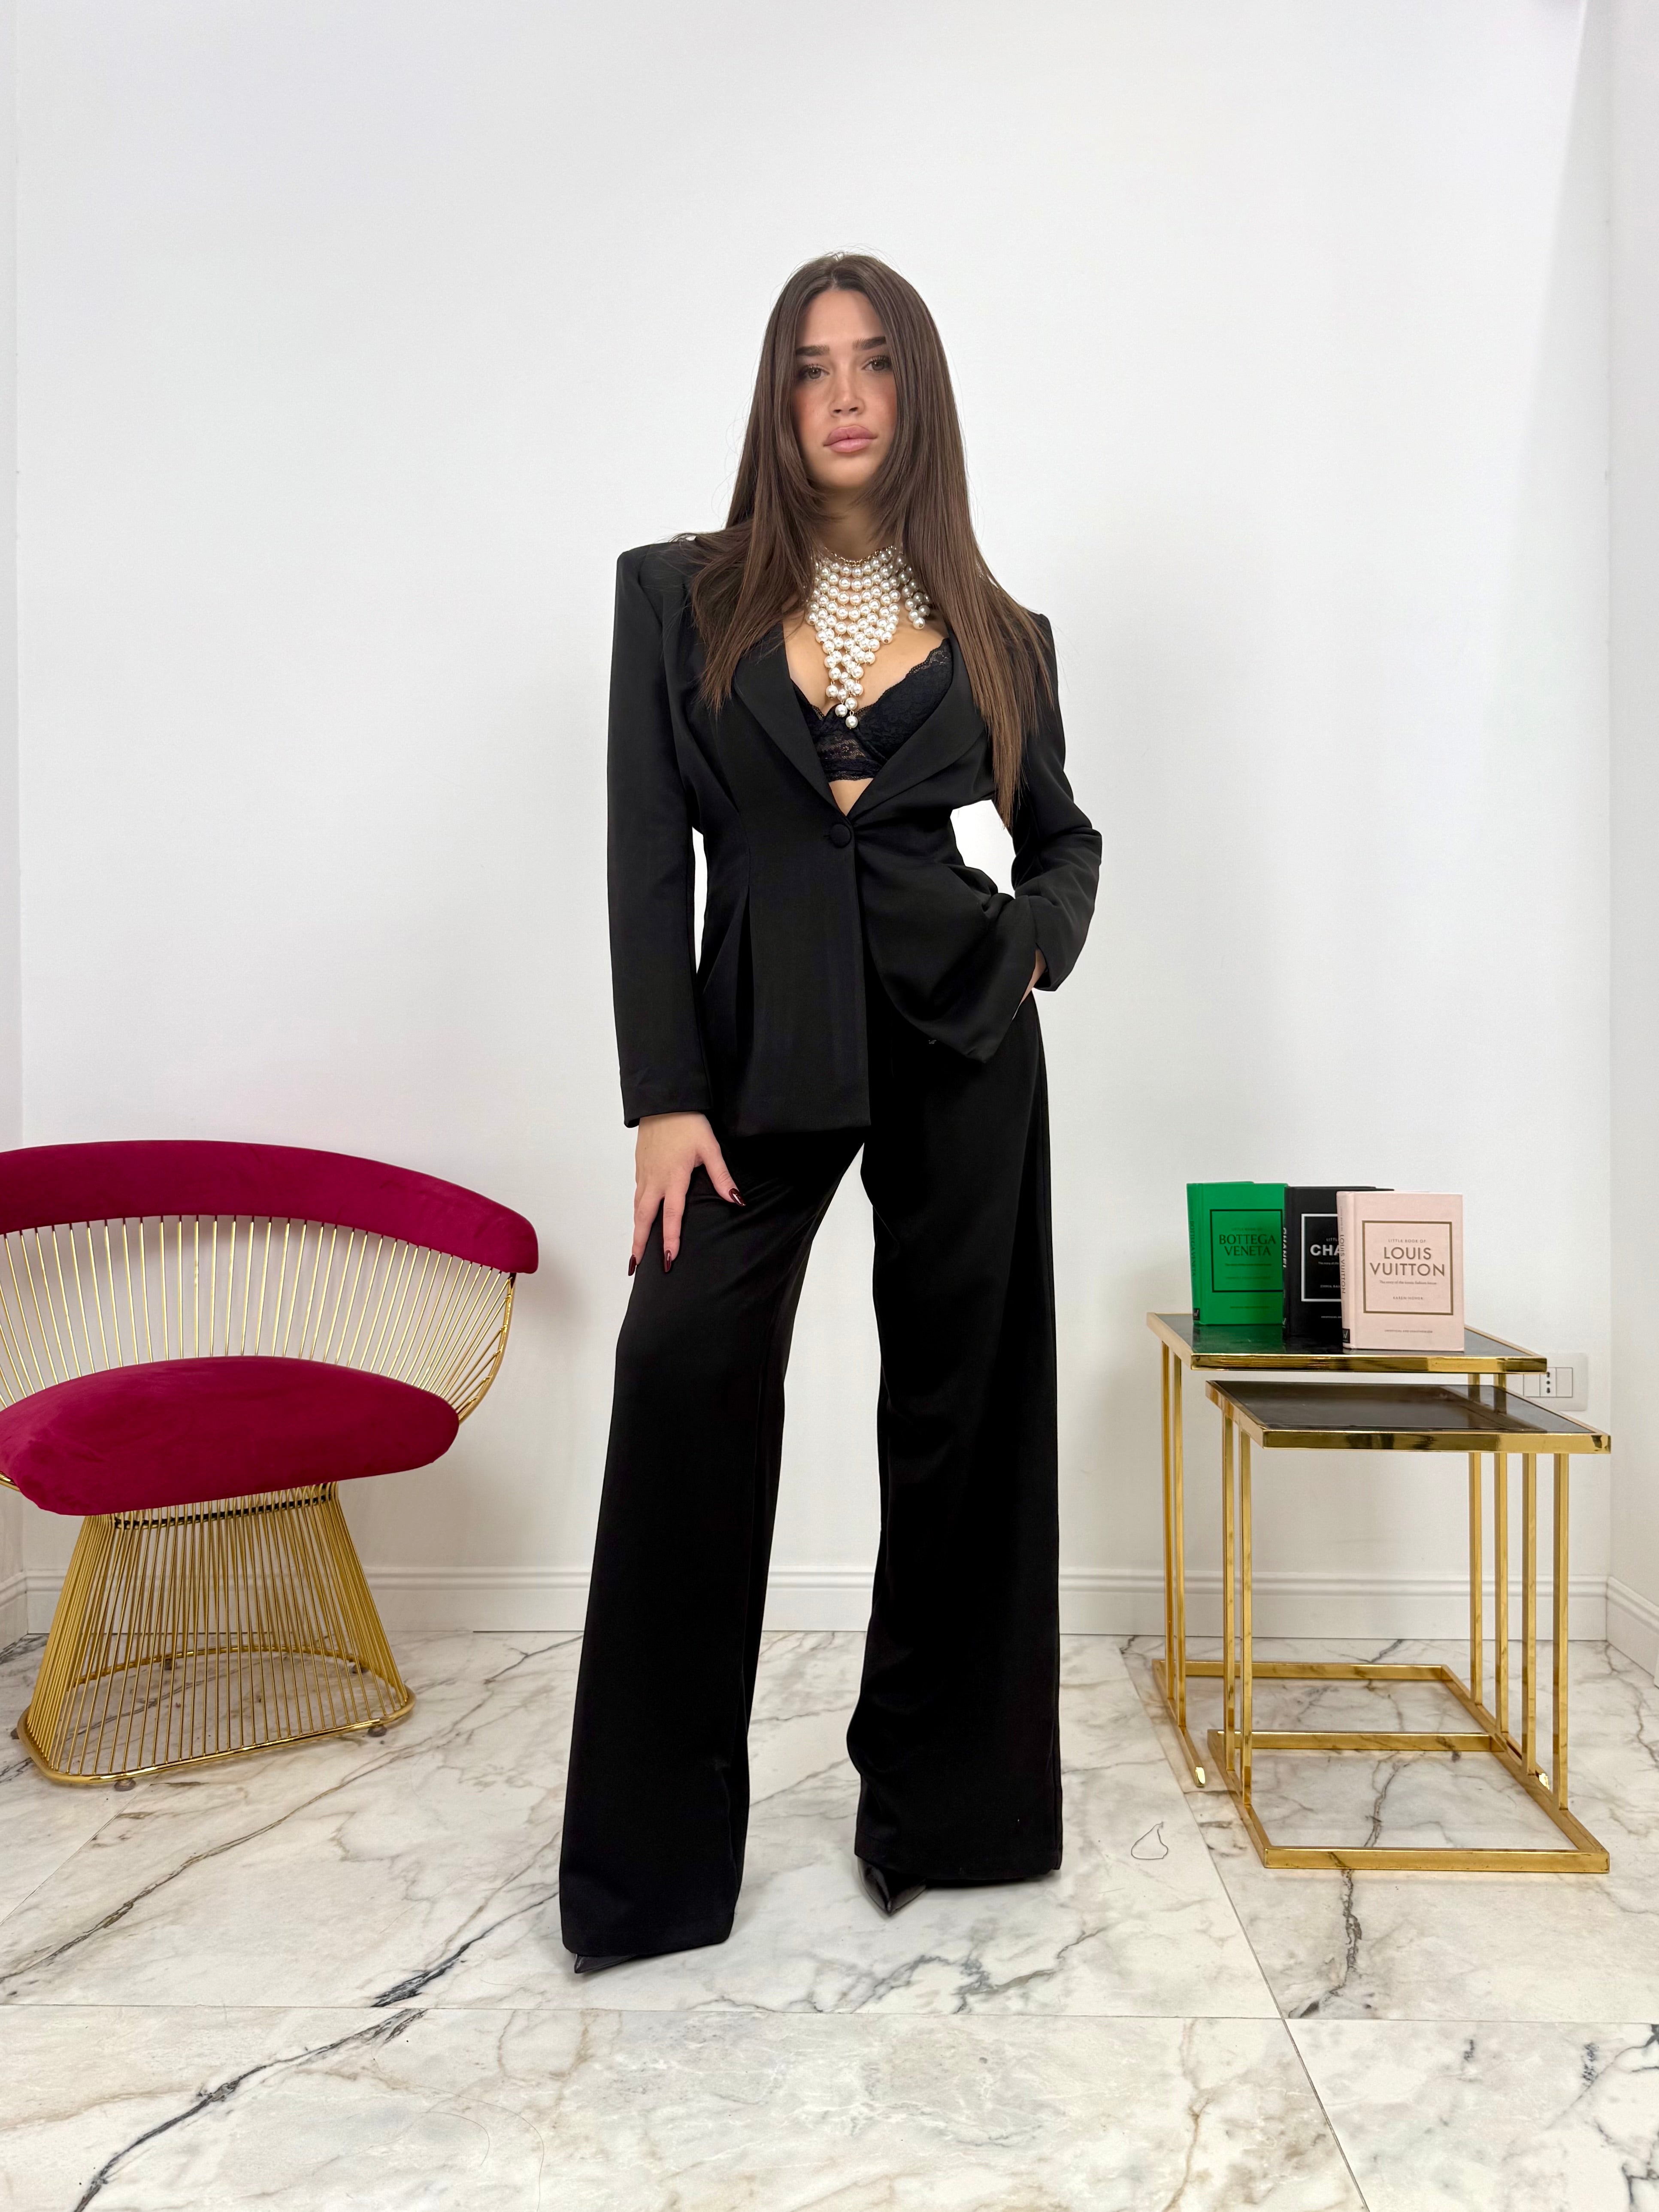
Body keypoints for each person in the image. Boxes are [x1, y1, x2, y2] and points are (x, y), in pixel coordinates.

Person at [559, 251, 1101, 1971]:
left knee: (962, 1412)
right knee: (682, 1372)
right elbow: (647, 858)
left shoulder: (1003, 633)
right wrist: (663, 1097)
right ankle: (648, 1875)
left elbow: (1062, 837)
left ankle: (947, 1811)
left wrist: (1032, 945)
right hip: (749, 1053)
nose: (844, 394)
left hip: (959, 1036)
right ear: (778, 398)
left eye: (873, 363)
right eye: (811, 366)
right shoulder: (678, 593)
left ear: (913, 393)